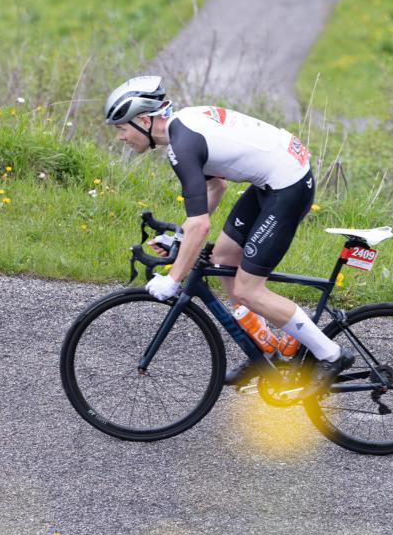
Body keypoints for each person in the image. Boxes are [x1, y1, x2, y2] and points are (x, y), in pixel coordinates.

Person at [105, 75, 354, 397]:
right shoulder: (183, 129)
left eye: (122, 128)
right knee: (222, 257)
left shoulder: (183, 142)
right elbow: (215, 186)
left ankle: (332, 355)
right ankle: (260, 345)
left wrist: (173, 278)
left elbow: (201, 225)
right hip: (272, 178)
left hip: (287, 184)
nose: (121, 138)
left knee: (249, 290)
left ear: (143, 120)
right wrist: (181, 237)